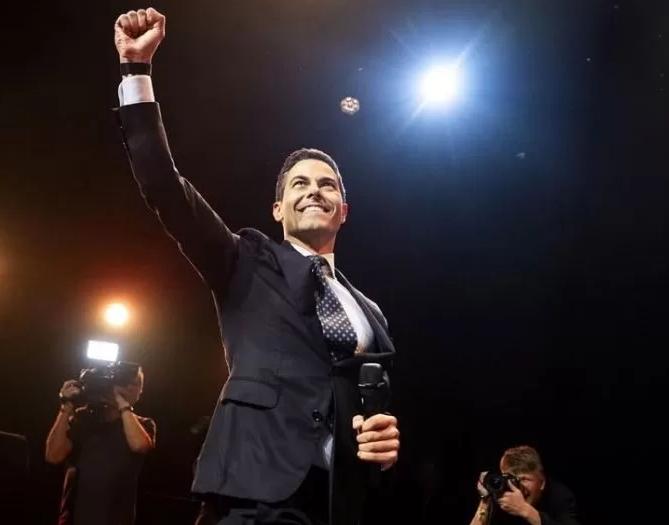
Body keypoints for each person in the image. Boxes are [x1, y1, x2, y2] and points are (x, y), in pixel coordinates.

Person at [111, 8, 401, 525]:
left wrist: (383, 437)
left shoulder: (369, 312)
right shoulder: (244, 261)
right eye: (299, 184)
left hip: (337, 500)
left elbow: (368, 402)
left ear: (344, 210)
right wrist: (137, 71)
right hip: (251, 493)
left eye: (328, 185)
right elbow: (163, 185)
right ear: (278, 210)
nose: (314, 190)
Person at [45, 365, 157, 525]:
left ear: (141, 391)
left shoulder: (143, 424)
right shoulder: (83, 418)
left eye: (134, 384)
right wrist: (66, 407)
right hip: (74, 518)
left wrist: (121, 403)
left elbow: (139, 445)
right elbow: (53, 456)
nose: (129, 388)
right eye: (124, 382)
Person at [469, 446, 580, 525]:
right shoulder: (503, 492)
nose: (519, 488)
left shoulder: (561, 496)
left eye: (525, 479)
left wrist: (524, 510)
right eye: (512, 479)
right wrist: (485, 501)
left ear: (541, 482)